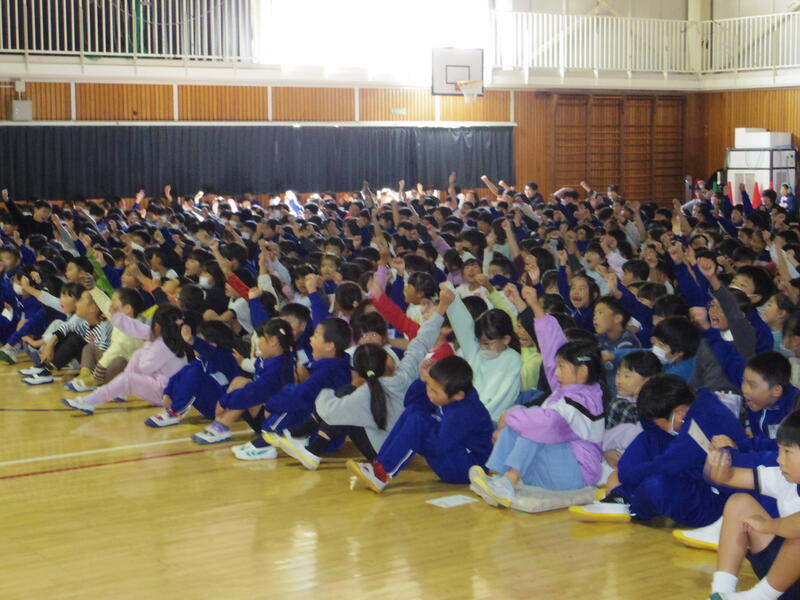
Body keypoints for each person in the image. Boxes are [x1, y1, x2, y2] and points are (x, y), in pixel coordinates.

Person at [278, 290, 450, 470]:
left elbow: (330, 411)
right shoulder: (405, 373)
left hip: (382, 452)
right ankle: (307, 444)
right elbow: (421, 341)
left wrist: (326, 392)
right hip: (399, 445)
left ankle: (309, 446)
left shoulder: (366, 392)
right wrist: (441, 308)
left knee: (345, 401)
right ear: (386, 360)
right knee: (347, 400)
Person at [469, 285, 605, 508]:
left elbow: (547, 422)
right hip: (556, 467)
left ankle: (508, 480)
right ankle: (499, 477)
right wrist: (535, 307)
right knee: (526, 423)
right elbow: (552, 348)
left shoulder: (583, 401)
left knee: (533, 425)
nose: (555, 372)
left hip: (576, 473)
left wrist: (509, 415)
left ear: (582, 372)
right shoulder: (570, 386)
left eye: (562, 367)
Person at [569, 374, 748, 527]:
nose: (659, 425)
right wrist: (622, 472)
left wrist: (624, 476)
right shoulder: (690, 404)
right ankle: (621, 496)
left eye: (660, 421)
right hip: (697, 475)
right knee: (650, 437)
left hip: (720, 499)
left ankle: (630, 503)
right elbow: (651, 428)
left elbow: (668, 466)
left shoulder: (705, 420)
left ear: (679, 412)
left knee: (657, 486)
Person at [347, 355, 494, 492]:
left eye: (434, 391)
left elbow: (438, 447)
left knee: (418, 422)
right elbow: (411, 403)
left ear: (458, 395)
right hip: (454, 456)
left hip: (467, 469)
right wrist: (423, 379)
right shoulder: (449, 394)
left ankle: (382, 474)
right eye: (428, 387)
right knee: (414, 411)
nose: (429, 393)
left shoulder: (465, 411)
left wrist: (415, 437)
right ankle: (378, 466)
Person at [706, 410, 800, 600]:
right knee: (739, 503)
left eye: (787, 452)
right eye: (779, 450)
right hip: (783, 579)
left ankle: (759, 596)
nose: (779, 459)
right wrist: (719, 470)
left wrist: (768, 526)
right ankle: (721, 592)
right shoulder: (782, 478)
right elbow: (730, 477)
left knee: (797, 536)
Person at [61, 304, 190, 415]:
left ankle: (89, 402)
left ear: (157, 325)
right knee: (138, 354)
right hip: (166, 389)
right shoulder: (171, 338)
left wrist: (148, 344)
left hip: (165, 394)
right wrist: (117, 316)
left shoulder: (162, 345)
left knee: (129, 378)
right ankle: (120, 391)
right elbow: (136, 327)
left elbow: (145, 368)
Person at [444, 282, 521, 421]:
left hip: (490, 419)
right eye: (480, 343)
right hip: (466, 413)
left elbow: (503, 398)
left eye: (488, 343)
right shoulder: (476, 351)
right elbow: (463, 325)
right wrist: (449, 292)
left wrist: (477, 418)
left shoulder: (513, 359)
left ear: (506, 339)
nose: (483, 348)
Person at [144, 320, 239, 430]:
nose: (194, 347)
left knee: (194, 373)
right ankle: (173, 410)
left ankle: (174, 412)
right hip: (210, 407)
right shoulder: (201, 361)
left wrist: (192, 340)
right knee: (189, 370)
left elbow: (209, 351)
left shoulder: (226, 358)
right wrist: (167, 393)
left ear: (213, 344)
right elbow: (178, 375)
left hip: (224, 408)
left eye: (200, 341)